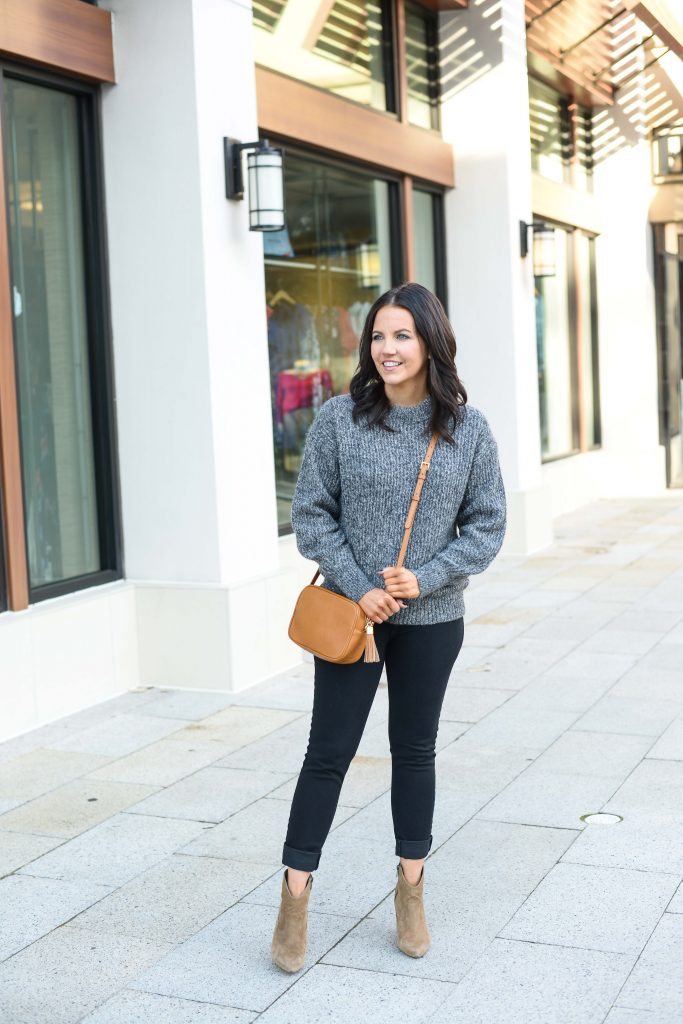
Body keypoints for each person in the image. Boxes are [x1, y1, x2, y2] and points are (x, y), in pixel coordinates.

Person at [270, 283, 507, 973]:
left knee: (414, 751)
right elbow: (311, 514)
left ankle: (410, 892)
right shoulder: (339, 420)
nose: (387, 348)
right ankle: (294, 897)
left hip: (431, 622)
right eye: (378, 335)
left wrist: (424, 577)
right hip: (352, 618)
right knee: (327, 754)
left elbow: (487, 527)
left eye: (401, 335)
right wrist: (363, 587)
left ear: (430, 342)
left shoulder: (468, 430)